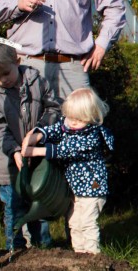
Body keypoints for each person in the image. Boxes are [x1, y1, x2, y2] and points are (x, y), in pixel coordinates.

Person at [0, 43, 60, 250]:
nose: (1, 80)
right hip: (7, 163)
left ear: (17, 62)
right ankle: (14, 249)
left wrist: (39, 132)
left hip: (36, 158)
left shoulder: (36, 81)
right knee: (14, 207)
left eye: (5, 73)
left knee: (39, 203)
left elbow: (53, 108)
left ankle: (42, 246)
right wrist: (15, 151)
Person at [22, 87, 114, 255]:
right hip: (76, 189)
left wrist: (35, 151)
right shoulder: (69, 125)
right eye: (70, 116)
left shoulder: (91, 136)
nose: (72, 122)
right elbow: (57, 129)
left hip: (92, 188)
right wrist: (38, 135)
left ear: (91, 116)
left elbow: (65, 149)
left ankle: (93, 256)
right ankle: (79, 253)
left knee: (87, 222)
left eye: (78, 119)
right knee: (74, 221)